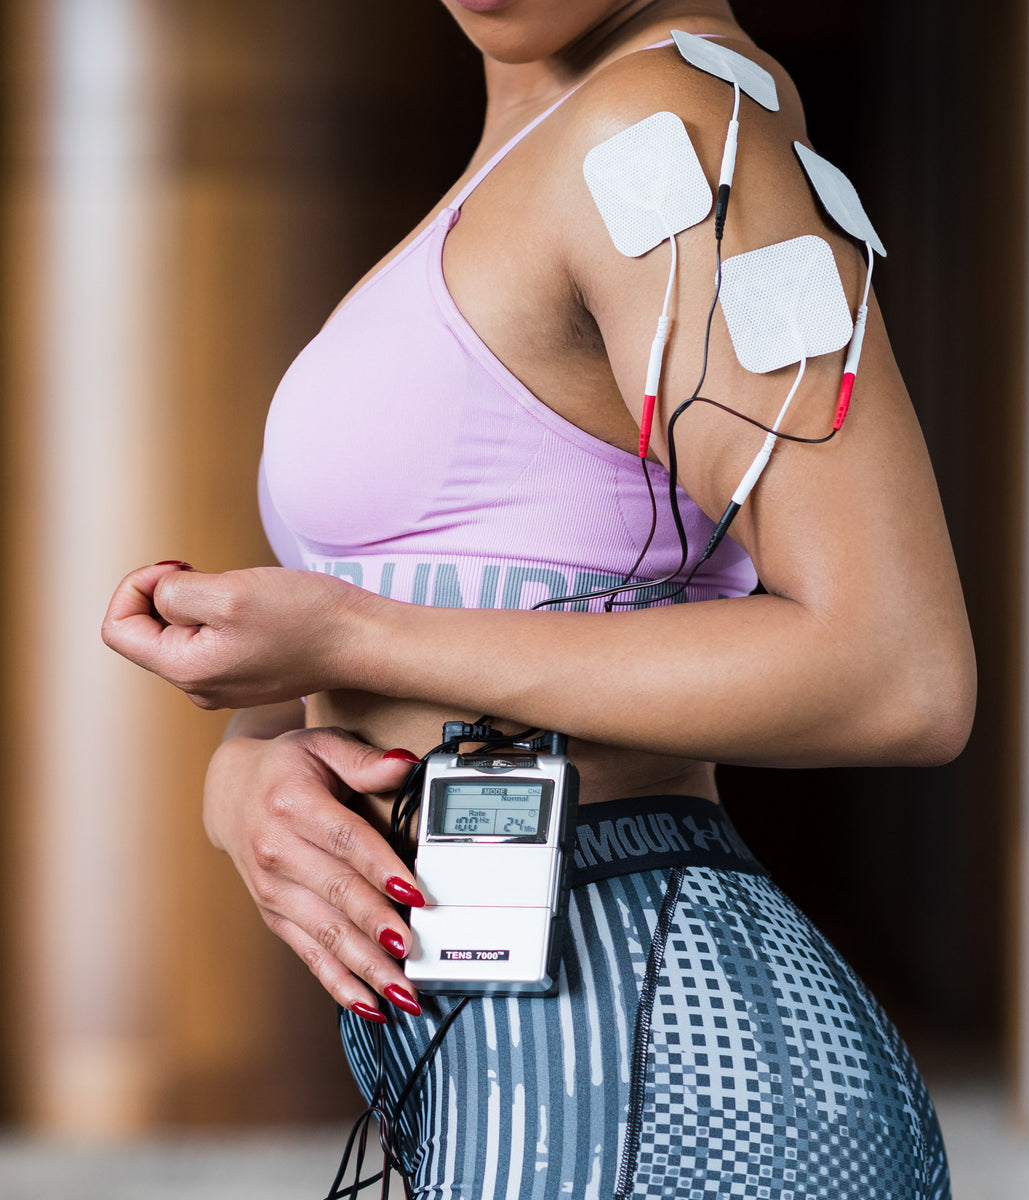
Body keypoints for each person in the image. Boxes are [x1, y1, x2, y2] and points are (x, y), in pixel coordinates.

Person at [103, 0, 975, 1195]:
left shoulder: (664, 124)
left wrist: (357, 635)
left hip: (675, 1081)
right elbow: (491, 599)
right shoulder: (535, 145)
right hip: (513, 1073)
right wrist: (249, 775)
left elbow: (899, 671)